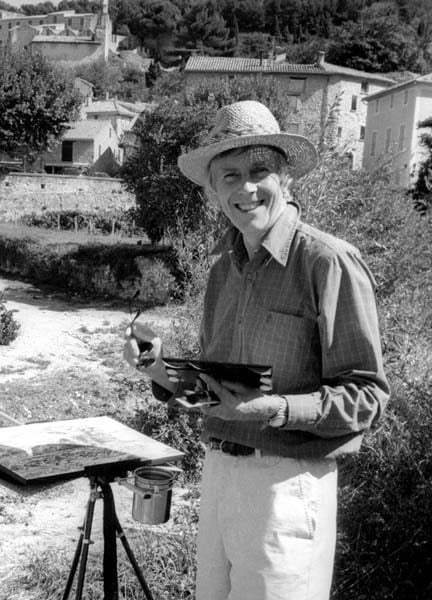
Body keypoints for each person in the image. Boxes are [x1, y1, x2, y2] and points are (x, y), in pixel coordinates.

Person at [123, 100, 389, 600]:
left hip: (287, 485)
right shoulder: (225, 268)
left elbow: (367, 396)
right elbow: (215, 387)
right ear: (213, 190)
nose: (245, 188)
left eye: (259, 170)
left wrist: (273, 410)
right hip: (220, 474)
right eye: (229, 176)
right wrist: (157, 366)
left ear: (284, 177)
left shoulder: (328, 262)